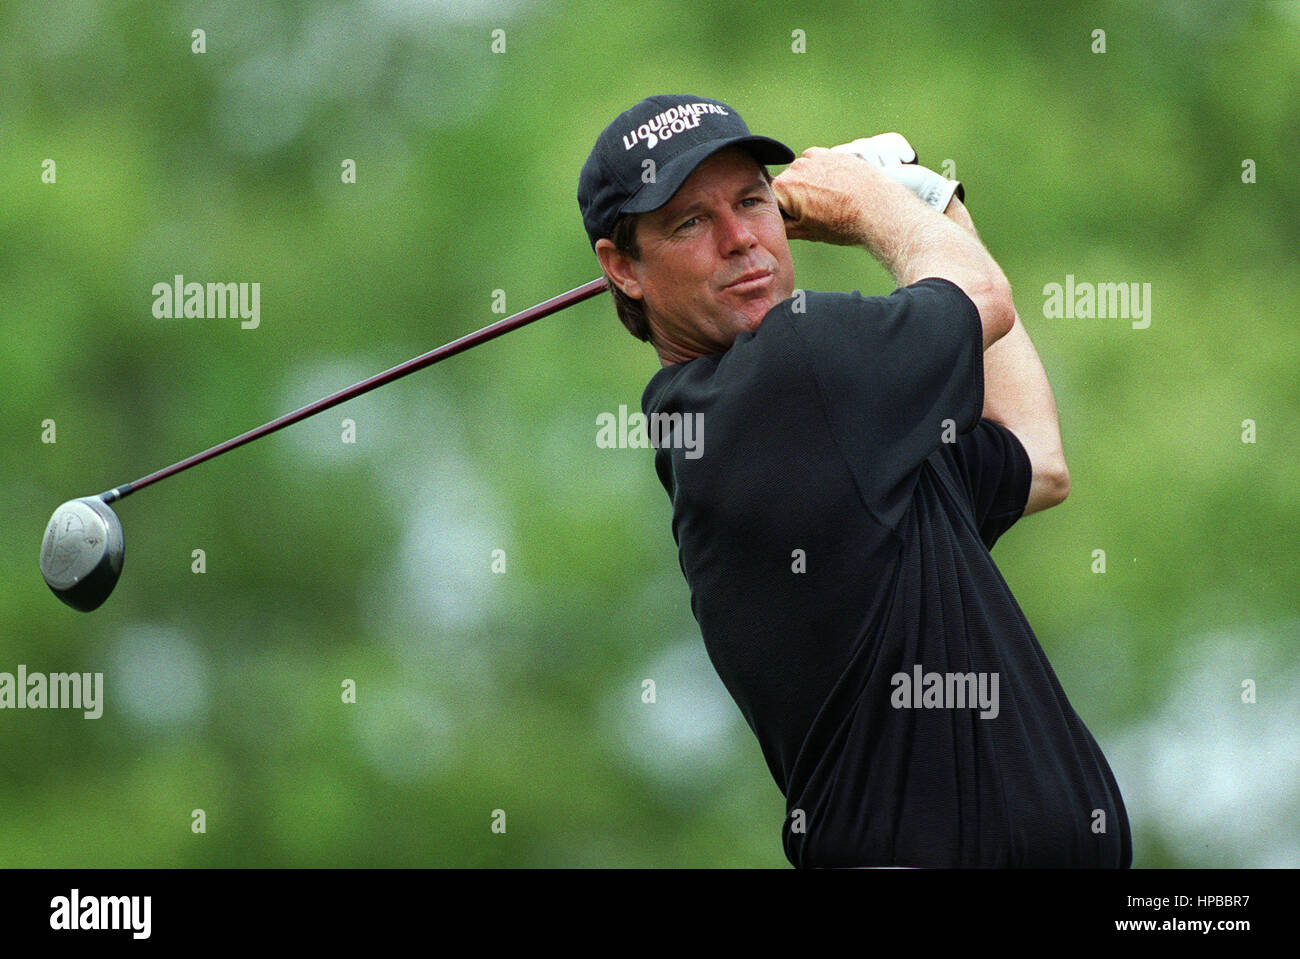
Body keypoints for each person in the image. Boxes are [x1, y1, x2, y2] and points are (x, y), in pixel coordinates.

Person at [578, 94, 1131, 868]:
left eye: (751, 200)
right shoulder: (790, 373)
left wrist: (934, 207)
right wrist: (876, 206)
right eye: (689, 222)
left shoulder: (841, 426)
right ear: (621, 269)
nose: (742, 238)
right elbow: (984, 300)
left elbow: (1037, 460)